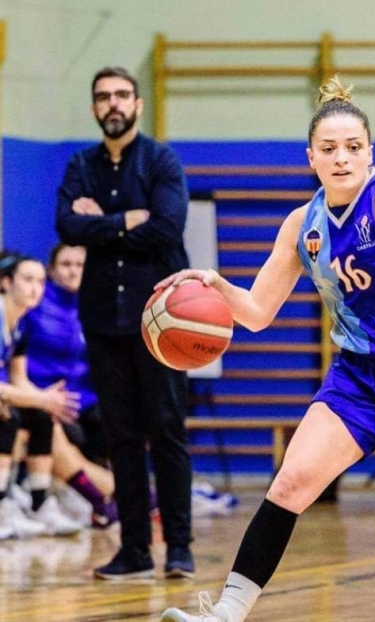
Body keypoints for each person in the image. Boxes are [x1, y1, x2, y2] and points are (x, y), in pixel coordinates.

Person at [159, 75, 375, 622]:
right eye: (329, 149)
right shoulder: (301, 226)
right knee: (290, 481)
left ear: (370, 154)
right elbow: (258, 313)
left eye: (353, 148)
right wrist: (215, 286)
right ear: (310, 157)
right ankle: (226, 612)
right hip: (359, 375)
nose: (342, 159)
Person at [55, 66, 194, 579]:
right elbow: (67, 225)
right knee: (121, 437)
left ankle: (178, 546)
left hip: (159, 320)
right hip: (103, 318)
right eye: (102, 97)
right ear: (94, 108)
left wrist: (100, 225)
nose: (112, 104)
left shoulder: (161, 160)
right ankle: (134, 549)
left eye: (121, 95)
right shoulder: (80, 164)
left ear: (137, 103)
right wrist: (125, 219)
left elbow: (165, 228)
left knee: (167, 431)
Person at [21, 243, 118, 528]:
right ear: (52, 270)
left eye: (80, 264)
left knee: (121, 423)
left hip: (83, 400)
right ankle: (118, 498)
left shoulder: (94, 304)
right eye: (66, 264)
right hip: (42, 396)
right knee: (54, 430)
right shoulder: (34, 306)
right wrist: (44, 398)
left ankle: (117, 496)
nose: (74, 270)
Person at [0, 252, 83, 540]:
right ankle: (2, 506)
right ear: (6, 282)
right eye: (27, 280)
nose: (35, 288)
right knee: (7, 418)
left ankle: (38, 503)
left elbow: (19, 379)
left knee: (40, 416)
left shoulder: (22, 324)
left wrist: (48, 400)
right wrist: (41, 399)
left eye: (40, 281)